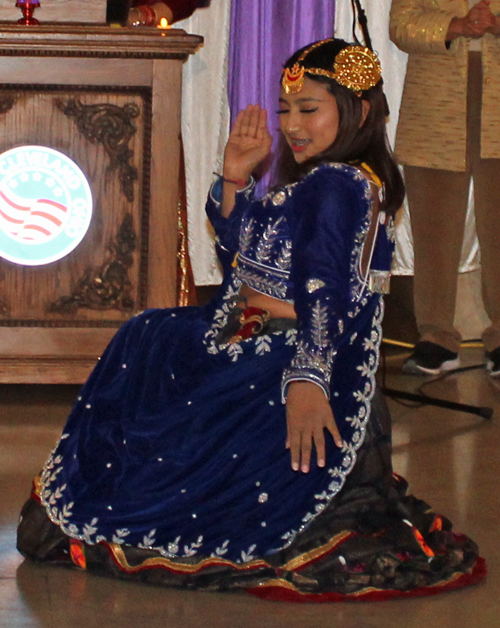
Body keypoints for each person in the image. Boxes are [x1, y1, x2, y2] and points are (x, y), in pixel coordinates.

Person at [16, 38, 485, 601]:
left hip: (282, 354)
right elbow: (248, 259)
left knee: (145, 354)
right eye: (286, 109)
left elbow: (322, 290)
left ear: (359, 111)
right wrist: (236, 177)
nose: (291, 125)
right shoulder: (322, 181)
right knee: (148, 336)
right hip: (248, 334)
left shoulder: (337, 185)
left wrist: (309, 381)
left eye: (309, 109)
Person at [390, 0, 500, 376]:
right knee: (434, 231)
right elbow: (401, 25)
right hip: (433, 110)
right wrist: (456, 25)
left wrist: (495, 23)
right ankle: (436, 337)